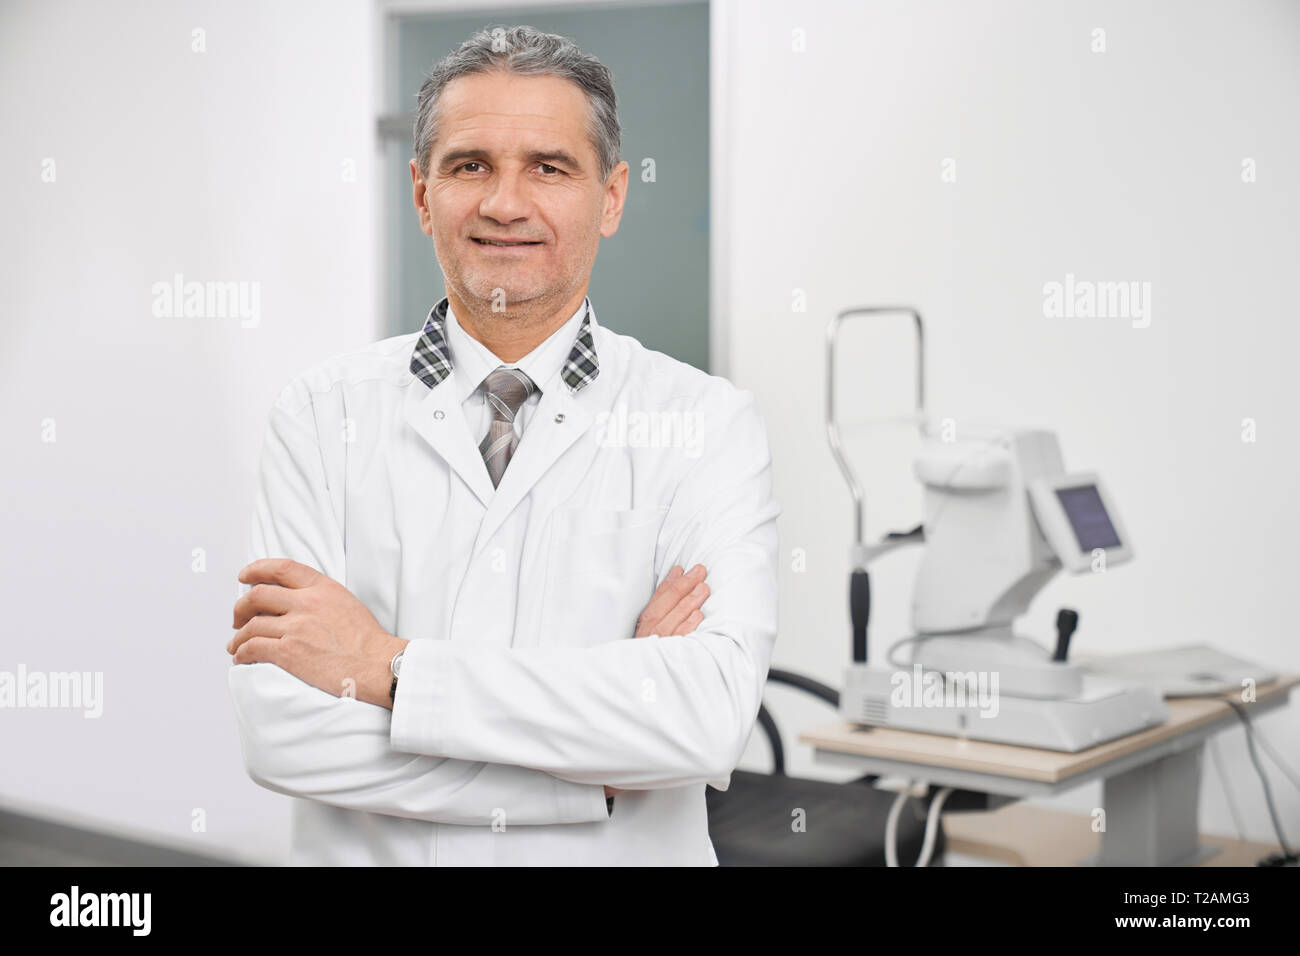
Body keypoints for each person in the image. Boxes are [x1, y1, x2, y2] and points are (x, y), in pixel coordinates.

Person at [226, 24, 780, 866]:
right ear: (421, 194)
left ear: (612, 197)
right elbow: (284, 733)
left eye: (549, 168)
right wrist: (589, 773)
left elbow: (704, 719)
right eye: (470, 165)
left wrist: (387, 667)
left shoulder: (706, 423)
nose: (504, 203)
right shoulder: (317, 415)